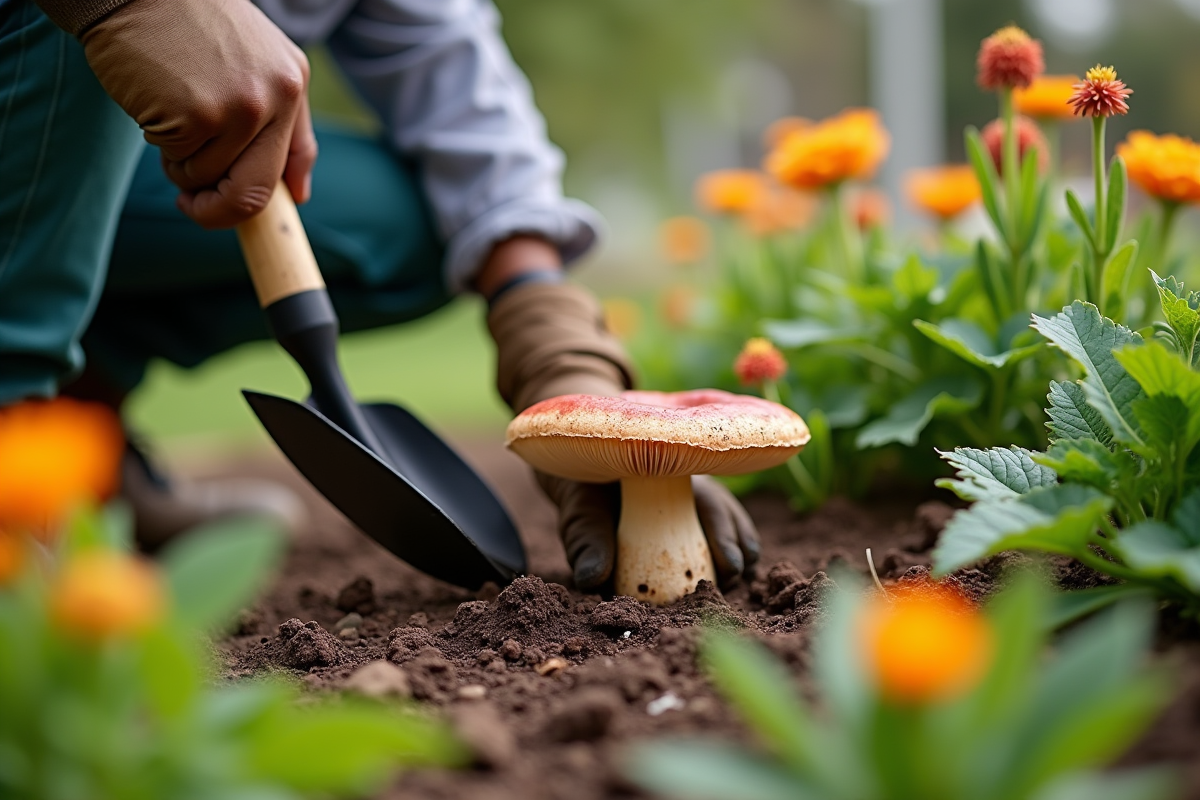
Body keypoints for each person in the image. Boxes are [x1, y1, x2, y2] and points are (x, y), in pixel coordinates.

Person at [0, 0, 760, 591]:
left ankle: (76, 435)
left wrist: (567, 371)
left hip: (122, 179)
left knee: (413, 221)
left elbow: (473, 128)